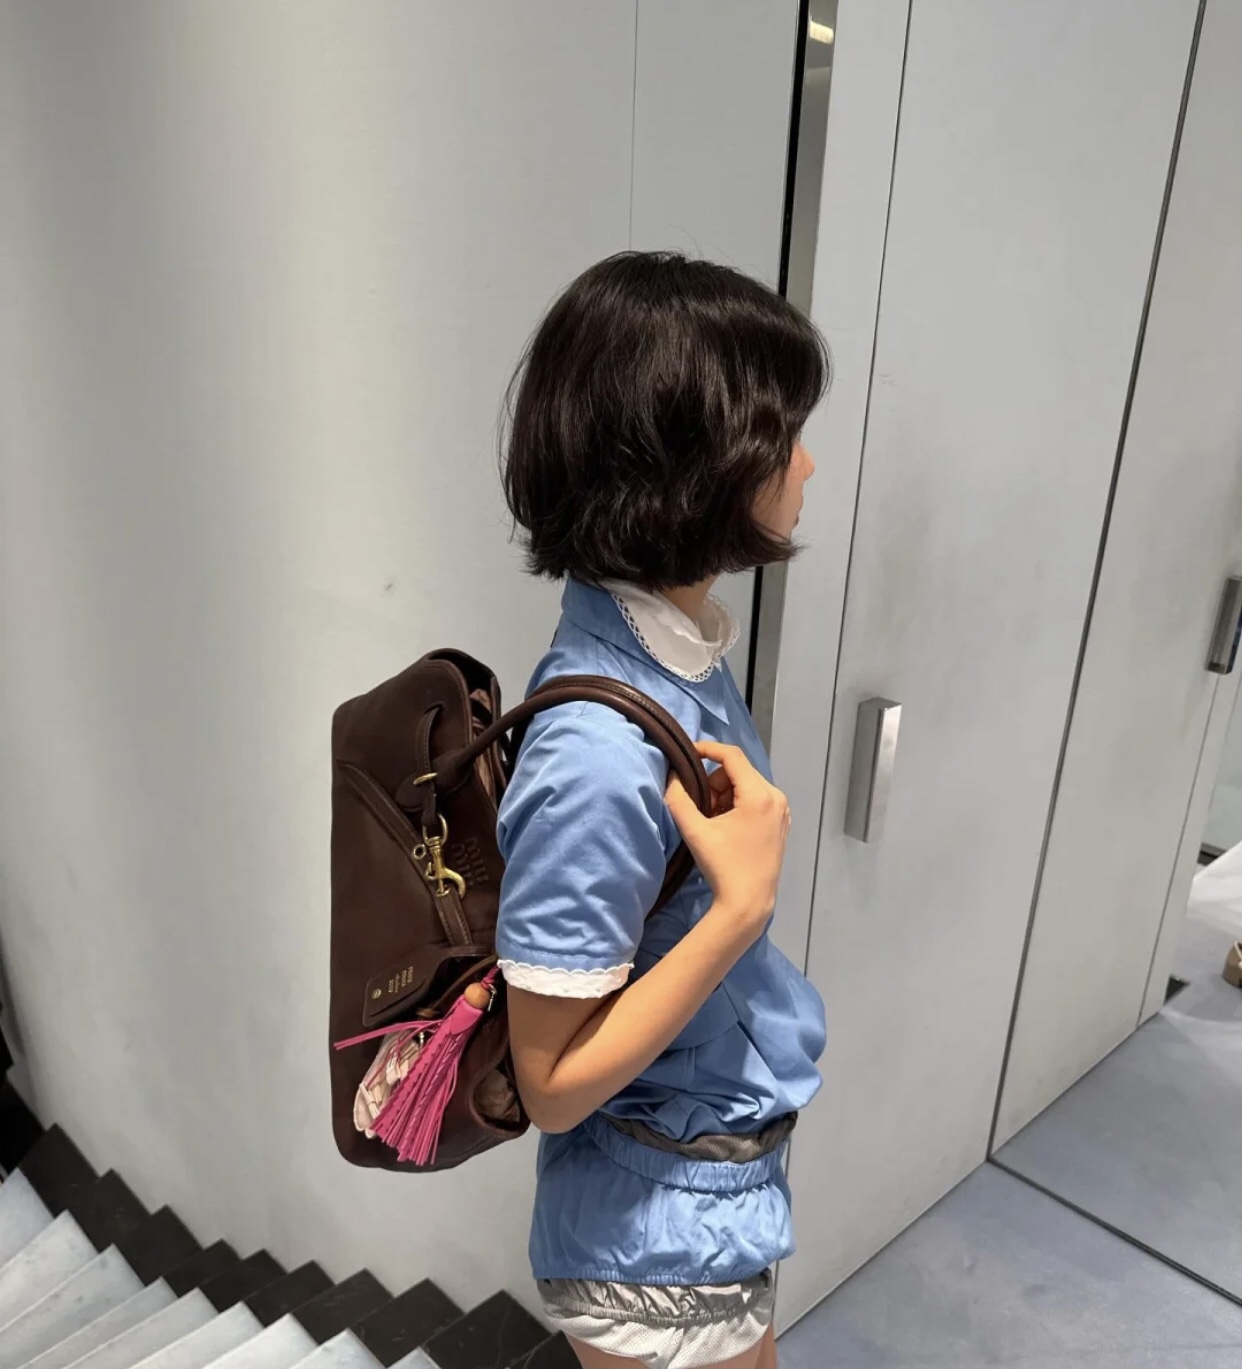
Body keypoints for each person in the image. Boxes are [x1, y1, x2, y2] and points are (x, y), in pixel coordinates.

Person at [496, 252, 829, 1369]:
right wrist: (740, 910)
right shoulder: (597, 754)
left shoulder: (674, 652)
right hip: (657, 1234)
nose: (806, 462)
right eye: (784, 434)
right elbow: (549, 1083)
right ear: (702, 463)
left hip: (708, 1179)